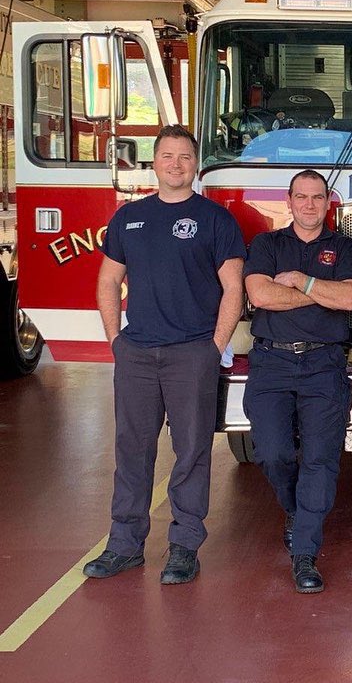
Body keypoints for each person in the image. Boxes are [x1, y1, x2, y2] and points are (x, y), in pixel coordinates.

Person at [83, 125, 245, 584]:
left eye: (185, 157)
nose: (176, 164)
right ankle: (124, 545)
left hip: (192, 353)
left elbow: (233, 288)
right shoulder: (128, 218)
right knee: (131, 450)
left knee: (191, 451)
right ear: (153, 162)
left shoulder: (216, 220)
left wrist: (213, 348)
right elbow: (108, 281)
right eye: (167, 156)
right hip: (136, 352)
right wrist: (117, 340)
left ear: (196, 165)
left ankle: (183, 547)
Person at [243, 170, 352, 593]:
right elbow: (259, 295)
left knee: (320, 459)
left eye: (317, 197)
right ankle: (298, 509)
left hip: (324, 365)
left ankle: (305, 554)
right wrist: (319, 293)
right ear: (289, 201)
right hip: (271, 363)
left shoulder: (344, 248)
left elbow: (349, 298)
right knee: (273, 452)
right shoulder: (267, 244)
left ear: (328, 202)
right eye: (302, 197)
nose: (309, 205)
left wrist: (297, 281)